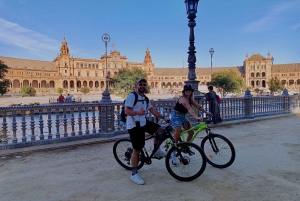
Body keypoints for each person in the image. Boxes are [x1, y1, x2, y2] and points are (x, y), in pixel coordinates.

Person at [124, 78, 170, 185]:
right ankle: (134, 174)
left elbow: (152, 110)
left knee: (159, 129)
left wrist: (163, 117)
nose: (142, 86)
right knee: (137, 150)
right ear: (136, 86)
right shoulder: (132, 96)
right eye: (140, 84)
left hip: (143, 122)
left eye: (144, 85)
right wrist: (137, 113)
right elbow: (127, 110)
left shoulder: (145, 98)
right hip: (134, 126)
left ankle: (156, 150)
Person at [170, 84, 211, 166]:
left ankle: (186, 146)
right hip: (176, 117)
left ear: (191, 91)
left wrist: (206, 112)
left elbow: (198, 106)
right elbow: (189, 108)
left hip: (183, 117)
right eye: (187, 90)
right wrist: (196, 117)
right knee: (177, 137)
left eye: (190, 90)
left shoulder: (190, 99)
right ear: (184, 91)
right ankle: (173, 154)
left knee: (191, 132)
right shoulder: (182, 99)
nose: (188, 91)